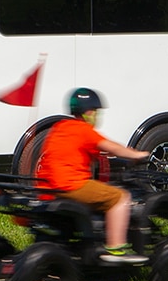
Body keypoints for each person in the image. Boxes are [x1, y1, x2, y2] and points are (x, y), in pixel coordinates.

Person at [33, 87, 152, 264]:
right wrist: (136, 154)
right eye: (96, 111)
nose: (97, 116)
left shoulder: (60, 127)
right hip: (72, 185)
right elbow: (111, 147)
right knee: (120, 197)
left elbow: (83, 151)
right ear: (89, 112)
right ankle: (116, 249)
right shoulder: (84, 130)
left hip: (49, 185)